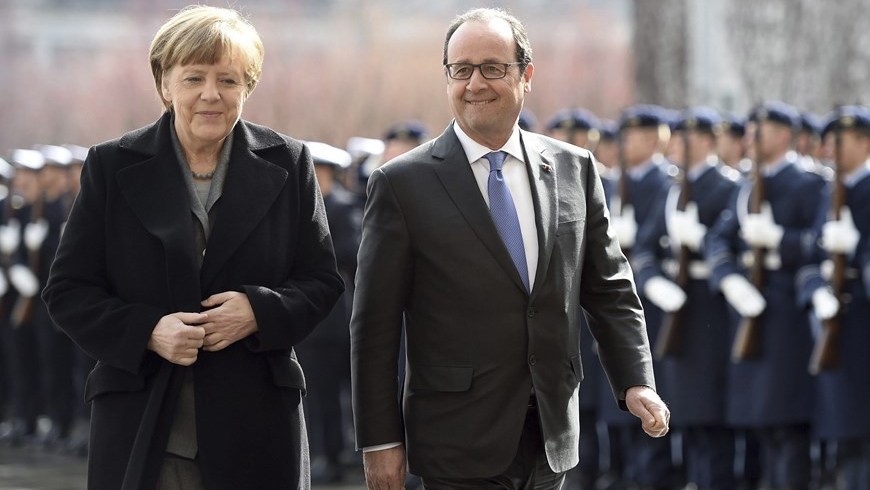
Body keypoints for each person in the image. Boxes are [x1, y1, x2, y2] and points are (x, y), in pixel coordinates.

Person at [350, 8, 669, 490]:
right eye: (461, 69)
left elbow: (609, 290)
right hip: (456, 440)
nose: (475, 83)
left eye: (493, 68)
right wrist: (379, 442)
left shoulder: (573, 169)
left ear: (527, 75)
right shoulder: (402, 184)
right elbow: (374, 327)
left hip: (550, 433)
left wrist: (636, 380)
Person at [42, 6, 344, 489]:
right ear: (164, 84)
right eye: (194, 77)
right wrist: (148, 330)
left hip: (257, 423)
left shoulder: (288, 162)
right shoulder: (111, 166)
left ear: (247, 87)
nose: (211, 94)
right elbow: (68, 291)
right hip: (144, 420)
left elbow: (323, 280)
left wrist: (259, 310)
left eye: (228, 80)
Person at [706, 101, 825, 490]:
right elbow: (718, 239)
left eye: (764, 130)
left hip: (788, 314)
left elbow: (822, 246)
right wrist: (729, 280)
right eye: (752, 130)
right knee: (761, 428)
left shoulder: (809, 183)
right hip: (749, 312)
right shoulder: (747, 185)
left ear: (786, 135)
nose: (753, 138)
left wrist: (780, 241)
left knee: (787, 427)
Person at [632, 108, 740, 489]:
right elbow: (643, 247)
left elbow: (734, 247)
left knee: (711, 418)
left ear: (709, 141)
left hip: (709, 310)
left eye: (687, 138)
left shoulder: (727, 185)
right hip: (675, 309)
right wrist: (653, 282)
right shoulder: (672, 189)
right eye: (676, 138)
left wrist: (701, 241)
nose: (677, 145)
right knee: (689, 419)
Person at [800, 105, 870, 490]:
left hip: (864, 319)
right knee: (843, 428)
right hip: (834, 320)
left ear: (865, 142)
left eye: (839, 141)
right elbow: (812, 258)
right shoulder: (833, 190)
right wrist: (816, 294)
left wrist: (859, 249)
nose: (830, 150)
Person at [296, 141, 362, 484]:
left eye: (317, 172)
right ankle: (323, 452)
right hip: (310, 323)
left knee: (343, 394)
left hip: (337, 320)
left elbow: (350, 255)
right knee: (316, 395)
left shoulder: (342, 207)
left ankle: (341, 452)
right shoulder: (300, 209)